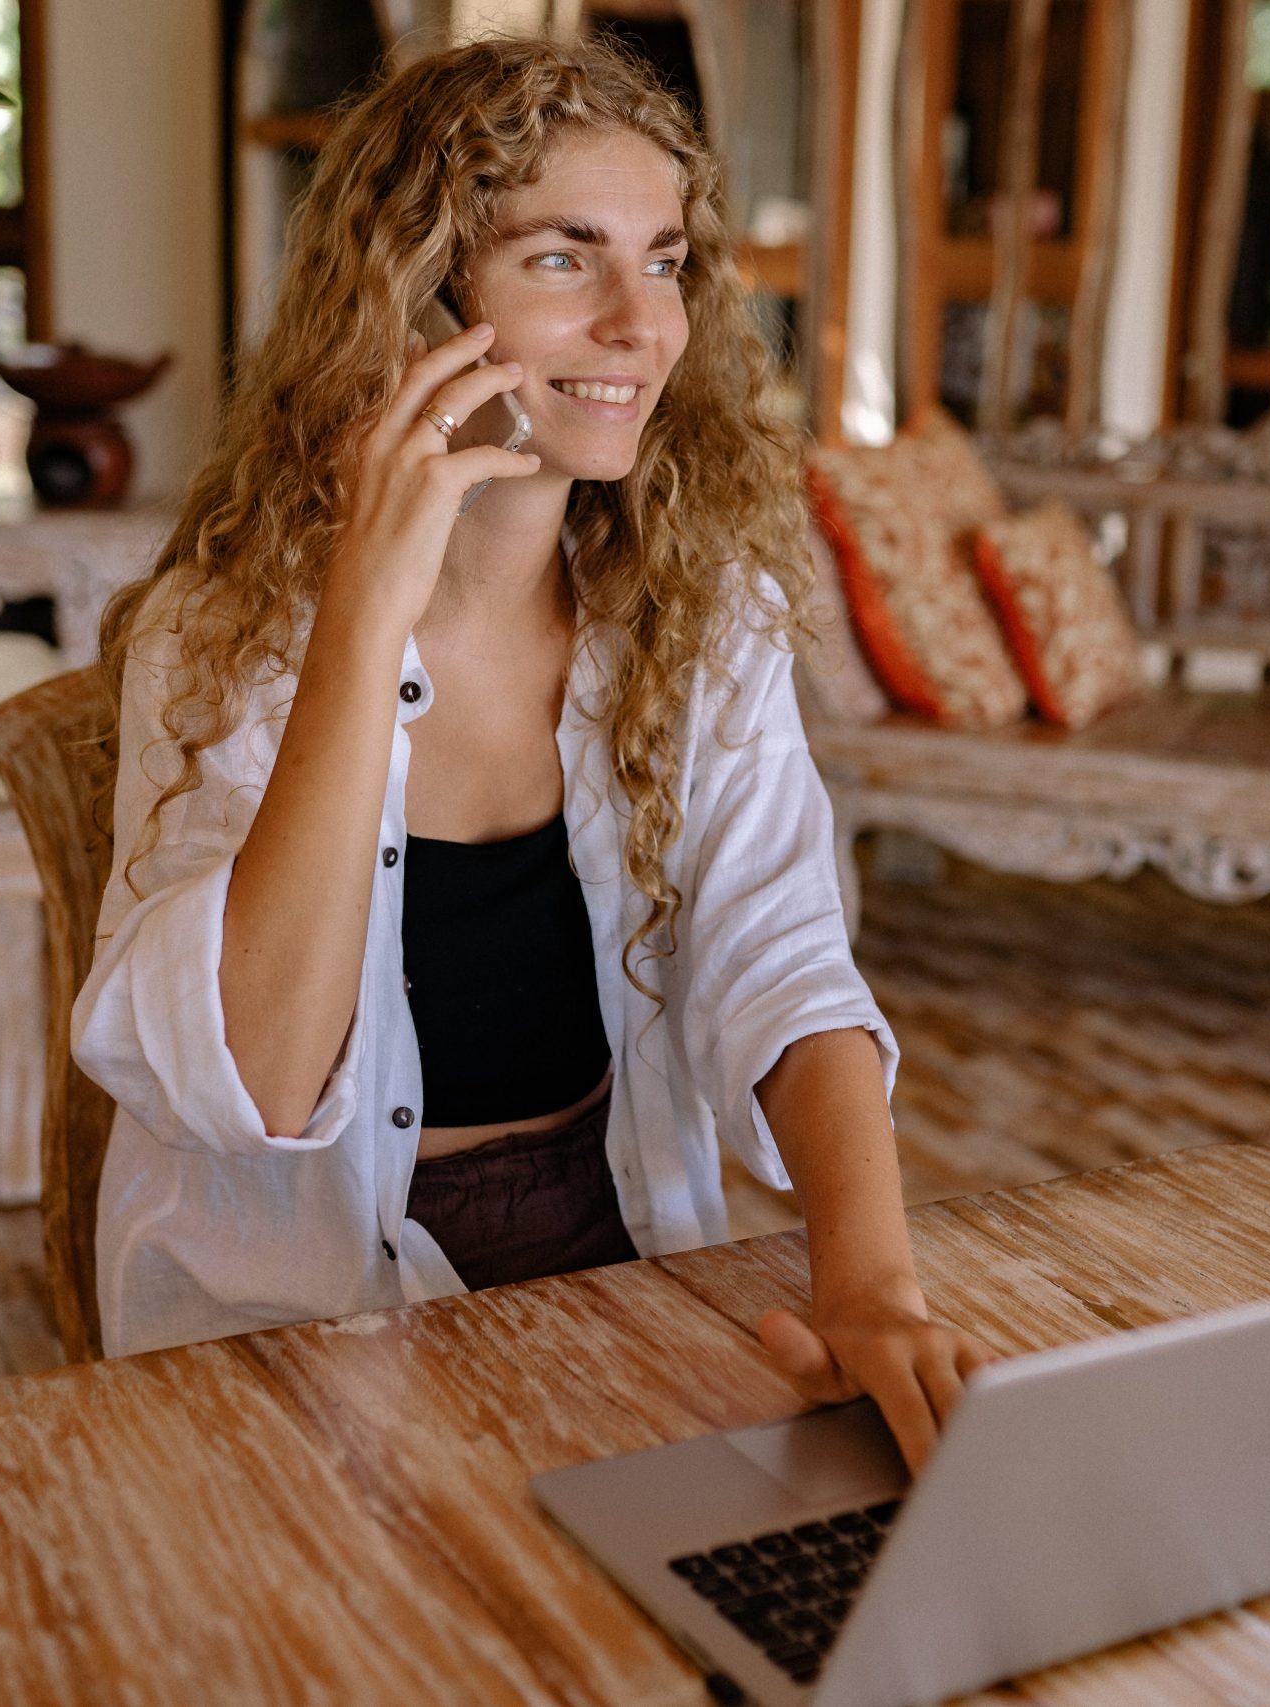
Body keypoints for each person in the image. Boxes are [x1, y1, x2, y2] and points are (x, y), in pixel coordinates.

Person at [74, 34, 992, 1467]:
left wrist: (869, 1285)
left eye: (668, 259)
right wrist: (365, 617)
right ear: (416, 294)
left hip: (613, 1235)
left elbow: (781, 950)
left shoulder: (701, 610)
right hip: (294, 1305)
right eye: (567, 259)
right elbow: (254, 1081)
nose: (644, 325)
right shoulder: (225, 633)